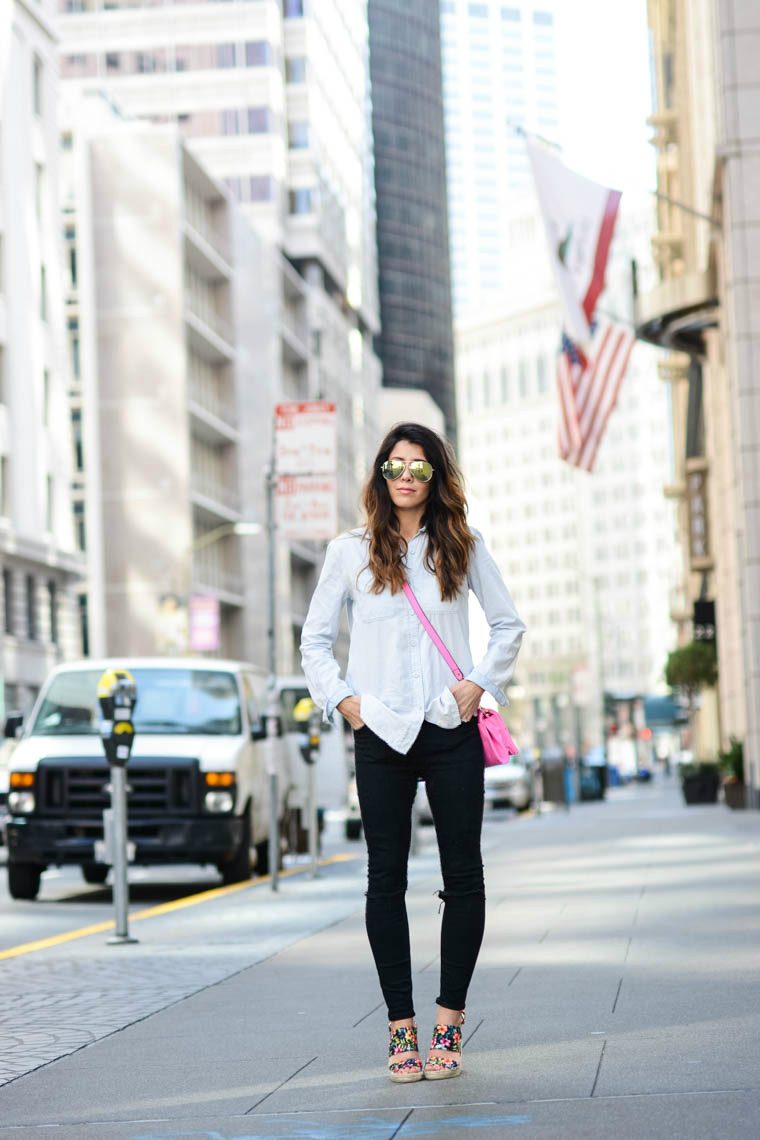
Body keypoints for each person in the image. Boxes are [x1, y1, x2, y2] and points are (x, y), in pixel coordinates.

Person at [300, 423, 525, 1082]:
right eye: (395, 465)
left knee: (464, 877)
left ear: (435, 477)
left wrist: (478, 684)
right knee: (384, 880)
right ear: (379, 473)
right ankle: (401, 1031)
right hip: (380, 732)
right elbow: (314, 641)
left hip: (448, 725)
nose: (406, 476)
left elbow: (508, 622)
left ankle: (450, 1022)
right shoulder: (349, 552)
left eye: (419, 467)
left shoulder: (464, 544)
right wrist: (344, 702)